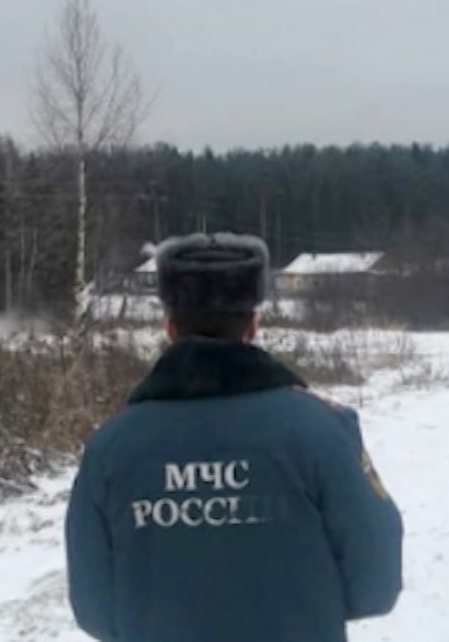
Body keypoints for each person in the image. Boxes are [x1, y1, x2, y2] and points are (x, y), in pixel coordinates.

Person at [66, 233, 404, 642]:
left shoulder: (111, 448)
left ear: (169, 326)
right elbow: (376, 586)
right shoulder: (321, 431)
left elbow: (95, 611)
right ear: (254, 325)